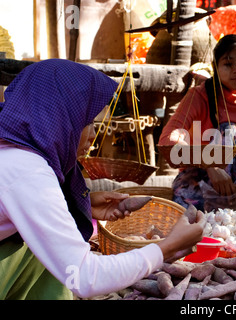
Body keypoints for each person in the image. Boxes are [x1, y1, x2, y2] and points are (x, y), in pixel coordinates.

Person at [0, 59, 206, 300]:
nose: (93, 137)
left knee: (48, 247)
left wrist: (82, 204)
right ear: (59, 119)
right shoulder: (26, 170)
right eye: (87, 123)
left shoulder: (13, 148)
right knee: (54, 255)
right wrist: (165, 248)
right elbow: (84, 276)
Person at [158, 34, 236, 212]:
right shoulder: (199, 97)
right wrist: (209, 164)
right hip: (197, 185)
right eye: (228, 64)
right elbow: (167, 140)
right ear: (215, 68)